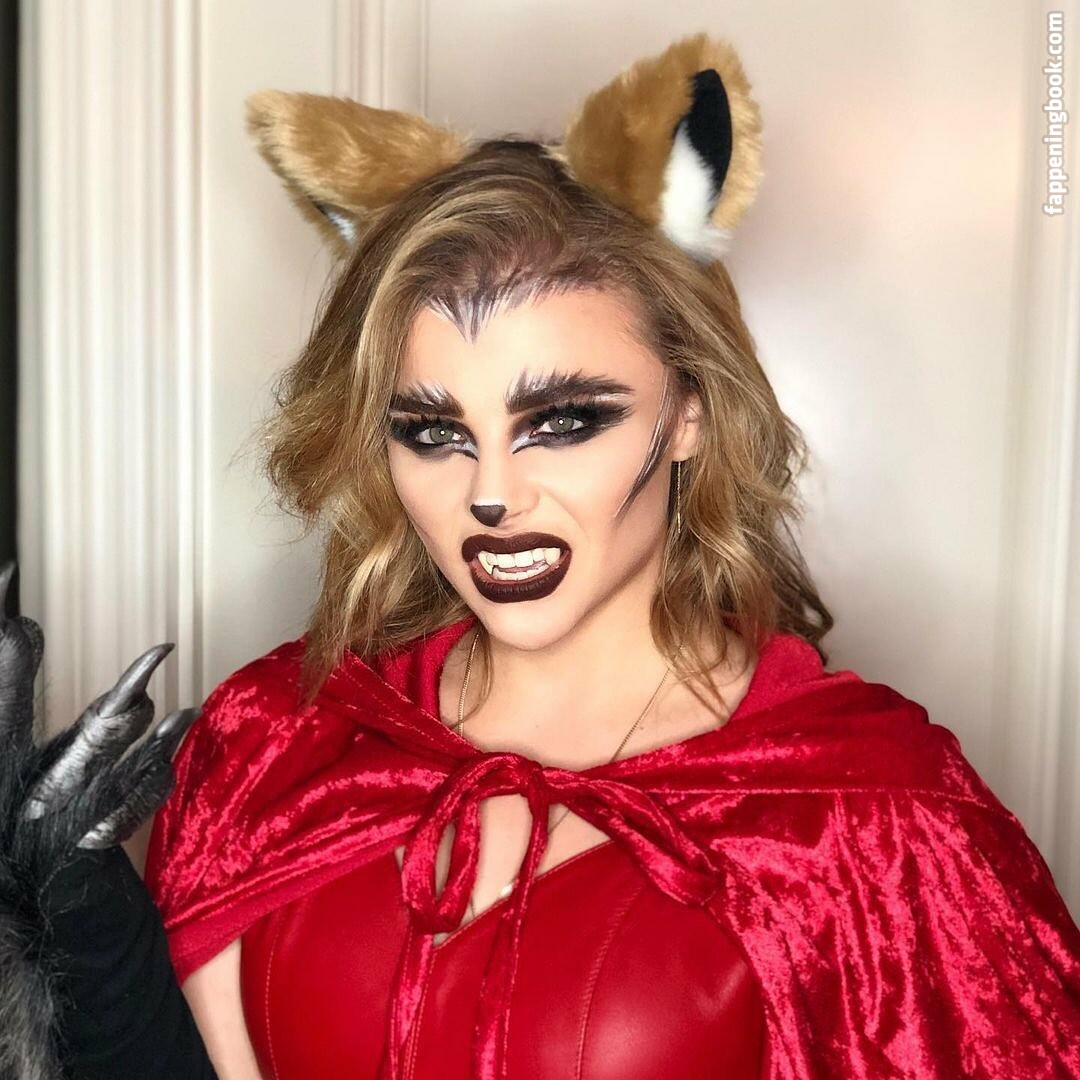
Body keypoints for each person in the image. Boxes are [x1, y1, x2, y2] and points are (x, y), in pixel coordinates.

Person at [1, 31, 1077, 1080]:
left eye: (562, 422)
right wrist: (88, 949)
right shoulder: (278, 743)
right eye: (433, 431)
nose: (491, 494)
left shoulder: (877, 816)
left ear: (690, 413)